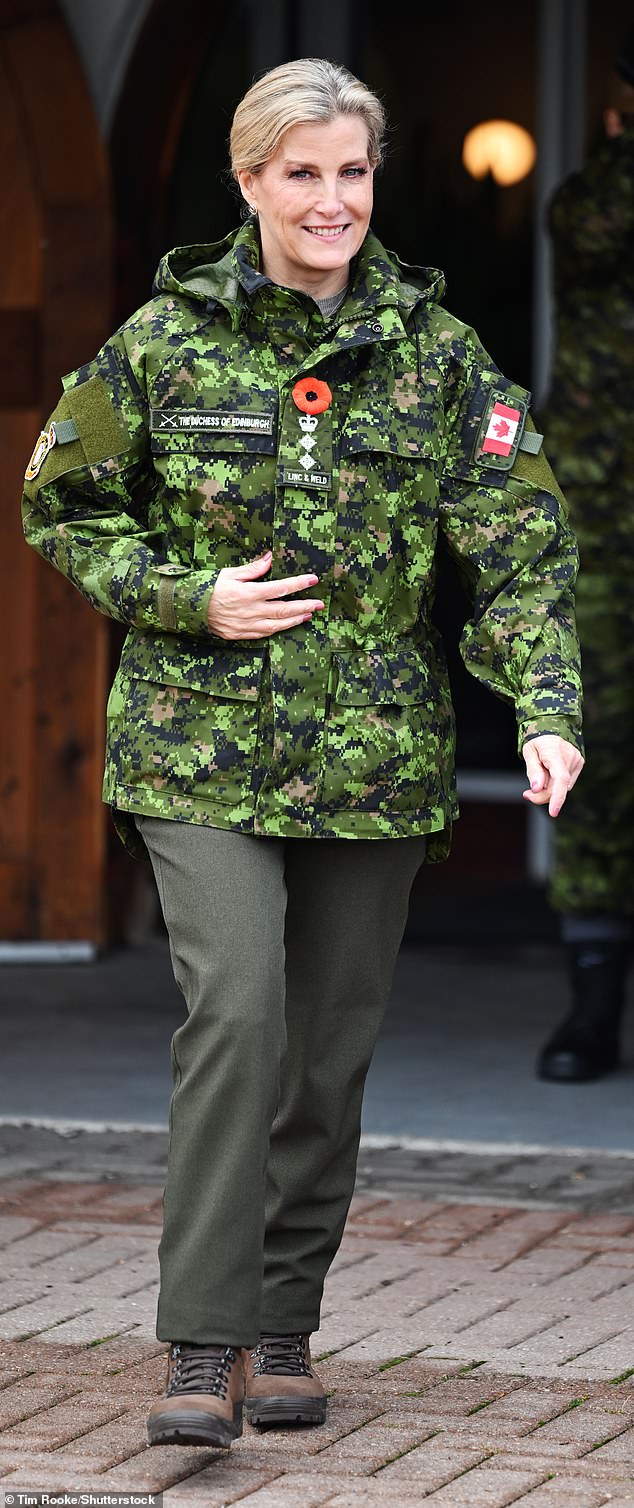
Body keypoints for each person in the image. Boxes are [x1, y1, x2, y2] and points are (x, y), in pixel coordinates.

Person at [22, 58, 584, 1450]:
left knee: (326, 1051)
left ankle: (285, 1329)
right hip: (197, 753)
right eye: (302, 173)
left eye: (352, 172)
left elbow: (516, 551)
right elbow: (61, 502)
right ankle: (200, 1348)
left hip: (375, 763)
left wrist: (543, 706)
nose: (331, 201)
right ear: (249, 182)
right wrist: (182, 597)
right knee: (241, 1015)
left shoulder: (437, 355)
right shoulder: (165, 340)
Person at [536, 32, 634, 1084]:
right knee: (593, 752)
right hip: (605, 523)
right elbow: (597, 220)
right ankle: (593, 1003)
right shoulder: (598, 197)